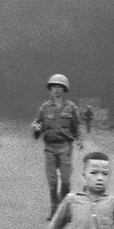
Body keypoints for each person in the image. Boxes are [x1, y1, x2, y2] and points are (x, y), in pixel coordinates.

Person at [31, 74, 84, 219]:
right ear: (50, 90)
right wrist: (35, 129)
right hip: (50, 147)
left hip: (65, 146)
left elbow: (77, 127)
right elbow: (38, 128)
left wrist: (79, 140)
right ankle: (55, 210)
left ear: (64, 89)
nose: (56, 90)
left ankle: (64, 209)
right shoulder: (45, 108)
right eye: (54, 87)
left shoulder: (71, 108)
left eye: (59, 87)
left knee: (66, 180)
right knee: (52, 181)